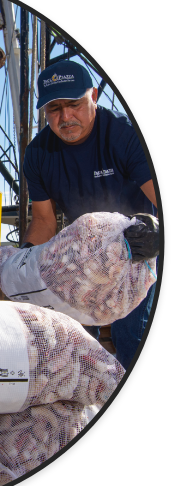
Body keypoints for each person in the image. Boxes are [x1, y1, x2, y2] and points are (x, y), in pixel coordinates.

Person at [22, 60, 158, 370]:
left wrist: (157, 234)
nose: (65, 117)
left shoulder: (125, 135)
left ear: (93, 96)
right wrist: (24, 261)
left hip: (139, 252)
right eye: (54, 109)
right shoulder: (39, 153)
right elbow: (44, 221)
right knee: (70, 339)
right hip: (84, 255)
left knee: (130, 335)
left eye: (74, 104)